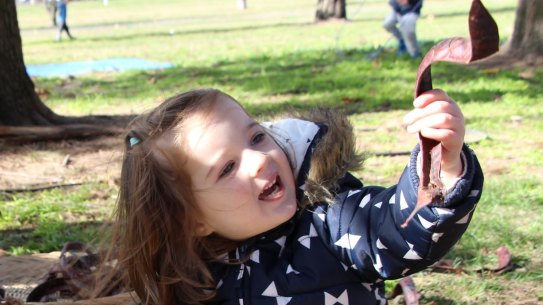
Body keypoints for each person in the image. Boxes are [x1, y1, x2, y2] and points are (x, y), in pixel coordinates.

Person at [97, 88, 483, 305]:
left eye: (256, 136)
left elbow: (394, 232)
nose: (260, 159)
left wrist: (441, 170)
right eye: (227, 168)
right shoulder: (196, 276)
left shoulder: (332, 218)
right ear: (193, 220)